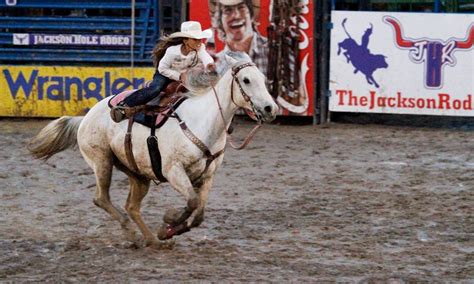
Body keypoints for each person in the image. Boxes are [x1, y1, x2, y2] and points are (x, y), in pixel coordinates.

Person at [111, 21, 216, 122]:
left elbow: (206, 57)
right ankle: (125, 105)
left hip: (183, 75)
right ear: (185, 40)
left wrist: (209, 65)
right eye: (195, 39)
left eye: (200, 39)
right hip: (164, 74)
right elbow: (162, 68)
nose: (199, 42)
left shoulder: (200, 48)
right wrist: (179, 76)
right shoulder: (172, 51)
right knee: (156, 89)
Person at [210, 0, 268, 75]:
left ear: (251, 14)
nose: (236, 16)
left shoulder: (274, 50)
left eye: (241, 7)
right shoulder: (216, 65)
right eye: (228, 10)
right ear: (220, 21)